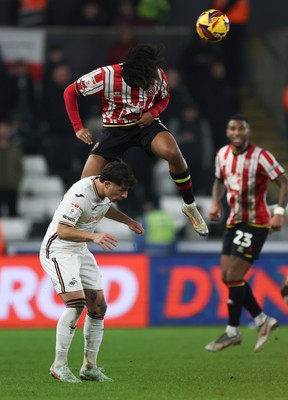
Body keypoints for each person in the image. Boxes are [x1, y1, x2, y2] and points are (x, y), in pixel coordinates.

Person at [64, 43, 208, 236]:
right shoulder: (105, 76)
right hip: (115, 130)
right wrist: (78, 128)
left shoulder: (157, 75)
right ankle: (83, 223)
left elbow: (164, 99)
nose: (148, 85)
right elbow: (69, 92)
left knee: (173, 153)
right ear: (131, 76)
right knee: (85, 184)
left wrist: (153, 112)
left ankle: (190, 206)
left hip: (145, 126)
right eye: (144, 82)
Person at [39, 161, 144, 383]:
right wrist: (94, 236)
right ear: (107, 183)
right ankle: (59, 365)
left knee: (98, 306)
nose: (124, 195)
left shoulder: (104, 193)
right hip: (59, 249)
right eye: (121, 190)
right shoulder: (79, 195)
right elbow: (63, 230)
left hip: (80, 249)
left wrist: (128, 221)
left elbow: (104, 208)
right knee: (76, 304)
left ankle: (89, 367)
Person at [205, 114, 288, 352]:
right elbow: (219, 180)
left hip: (256, 222)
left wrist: (280, 211)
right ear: (228, 131)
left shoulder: (261, 156)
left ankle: (232, 332)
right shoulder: (222, 154)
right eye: (233, 129)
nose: (237, 133)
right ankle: (262, 319)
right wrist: (215, 202)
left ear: (248, 132)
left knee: (233, 276)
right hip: (233, 221)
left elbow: (284, 182)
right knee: (227, 277)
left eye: (242, 129)